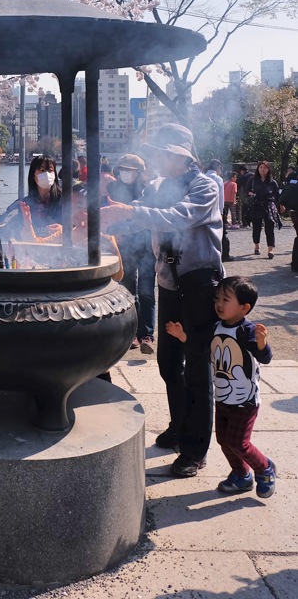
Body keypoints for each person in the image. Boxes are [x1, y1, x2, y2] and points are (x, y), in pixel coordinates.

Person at [101, 123, 223, 478]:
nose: (158, 158)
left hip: (199, 283)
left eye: (163, 152)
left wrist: (131, 213)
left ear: (181, 156)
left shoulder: (205, 185)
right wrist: (105, 222)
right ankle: (179, 426)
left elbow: (178, 218)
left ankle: (196, 448)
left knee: (198, 367)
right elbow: (138, 213)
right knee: (169, 363)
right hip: (168, 283)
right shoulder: (157, 186)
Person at [165, 275, 276, 498]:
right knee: (224, 440)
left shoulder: (248, 331)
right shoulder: (216, 327)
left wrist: (262, 344)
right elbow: (200, 347)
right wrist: (182, 335)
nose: (219, 304)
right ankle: (241, 474)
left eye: (226, 299)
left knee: (239, 442)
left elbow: (265, 357)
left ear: (244, 308)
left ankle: (264, 468)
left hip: (245, 400)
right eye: (217, 298)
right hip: (223, 397)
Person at [107, 154, 155, 354]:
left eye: (130, 169)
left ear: (139, 171)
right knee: (128, 289)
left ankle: (147, 334)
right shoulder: (112, 188)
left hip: (147, 243)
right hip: (125, 244)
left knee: (146, 290)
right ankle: (132, 332)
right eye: (123, 169)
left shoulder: (149, 189)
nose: (126, 173)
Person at [0, 155, 63, 240]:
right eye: (42, 170)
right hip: (31, 250)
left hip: (60, 251)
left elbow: (80, 226)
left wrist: (64, 230)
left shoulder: (65, 200)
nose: (47, 174)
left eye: (50, 170)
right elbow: (7, 227)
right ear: (33, 175)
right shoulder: (23, 204)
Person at [248, 161, 281, 259]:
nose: (263, 170)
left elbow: (277, 194)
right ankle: (256, 246)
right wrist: (250, 194)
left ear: (268, 169)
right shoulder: (252, 180)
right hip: (256, 205)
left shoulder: (272, 181)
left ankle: (270, 250)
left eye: (265, 168)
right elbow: (246, 190)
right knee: (256, 227)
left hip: (269, 205)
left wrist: (279, 205)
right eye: (261, 167)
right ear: (258, 169)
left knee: (269, 228)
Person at [205, 159, 229, 262]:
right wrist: (221, 211)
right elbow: (220, 198)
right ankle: (223, 256)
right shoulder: (218, 179)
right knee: (221, 234)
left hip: (204, 211)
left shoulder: (202, 177)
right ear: (218, 168)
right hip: (215, 211)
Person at [278, 167, 298, 270]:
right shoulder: (294, 176)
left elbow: (286, 192)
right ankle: (295, 264)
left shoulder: (293, 176)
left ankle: (295, 264)